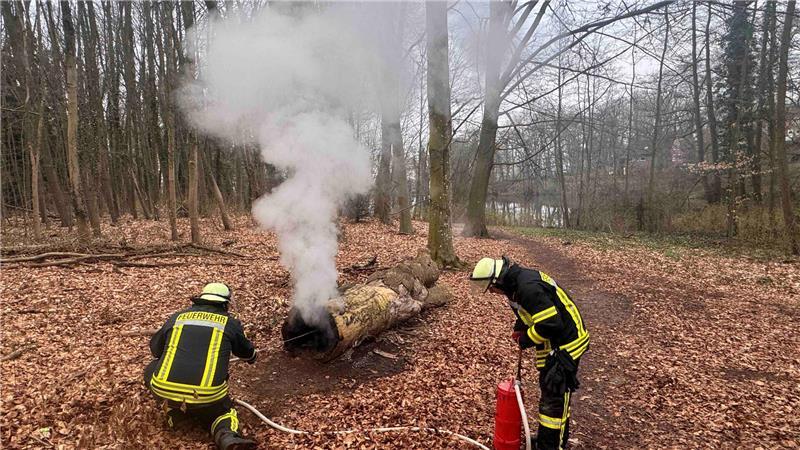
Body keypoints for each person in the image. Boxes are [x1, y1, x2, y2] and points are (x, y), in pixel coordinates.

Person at [470, 257, 589, 450]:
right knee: (550, 393)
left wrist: (526, 339)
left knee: (555, 396)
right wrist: (520, 328)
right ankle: (547, 438)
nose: (491, 292)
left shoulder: (527, 288)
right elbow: (528, 313)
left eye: (490, 288)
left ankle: (551, 445)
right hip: (554, 342)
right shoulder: (513, 287)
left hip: (567, 343)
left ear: (497, 280)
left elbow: (551, 323)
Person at [144, 282, 258, 450]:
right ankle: (226, 435)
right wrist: (253, 356)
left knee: (151, 369)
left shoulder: (177, 317)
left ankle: (174, 414)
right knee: (223, 412)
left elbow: (155, 350)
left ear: (200, 299)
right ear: (225, 304)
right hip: (207, 394)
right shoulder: (229, 323)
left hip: (163, 388)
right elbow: (247, 353)